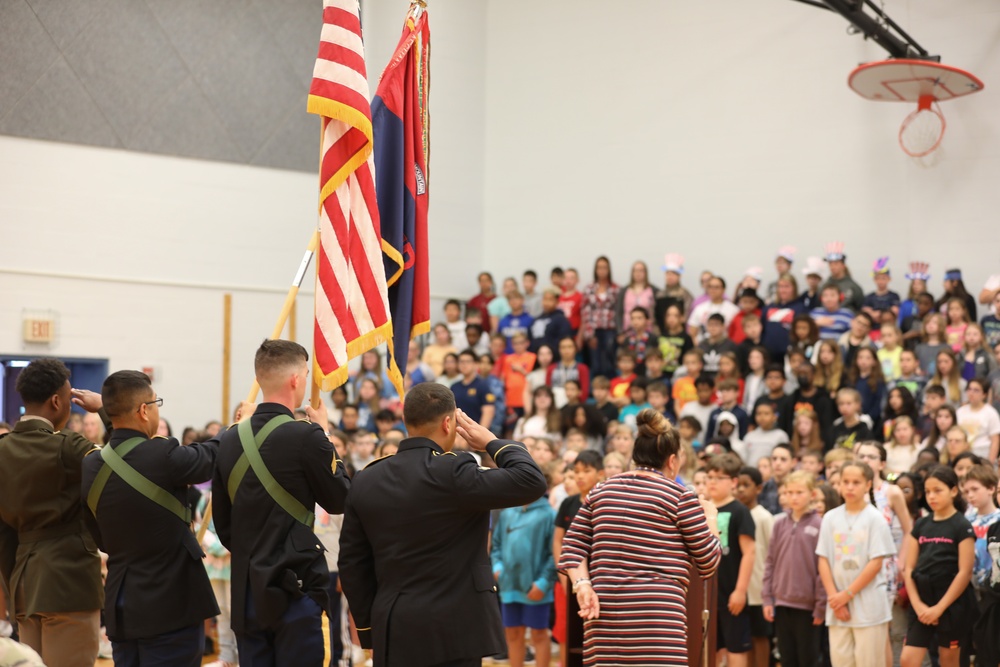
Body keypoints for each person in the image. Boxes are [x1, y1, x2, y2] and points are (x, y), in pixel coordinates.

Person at [339, 382, 546, 667]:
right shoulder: (455, 470)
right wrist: (491, 442)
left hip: (394, 624)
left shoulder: (366, 478)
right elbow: (531, 481)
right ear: (448, 423)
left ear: (405, 420)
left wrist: (369, 632)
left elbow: (352, 565)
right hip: (456, 627)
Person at [211, 340, 351, 666]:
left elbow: (224, 525)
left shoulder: (229, 439)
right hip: (296, 590)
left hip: (247, 591)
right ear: (296, 380)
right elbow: (341, 498)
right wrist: (326, 435)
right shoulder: (307, 436)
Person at [559, 409, 722, 665]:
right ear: (672, 461)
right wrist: (711, 518)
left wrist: (583, 585)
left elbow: (571, 546)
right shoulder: (680, 496)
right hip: (656, 621)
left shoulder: (601, 490)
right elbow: (709, 561)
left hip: (602, 616)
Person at [81, 370, 220, 666]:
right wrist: (241, 423)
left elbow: (100, 538)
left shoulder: (92, 465)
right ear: (144, 410)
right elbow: (214, 455)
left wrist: (109, 410)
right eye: (156, 402)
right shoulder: (164, 455)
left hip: (122, 605)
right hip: (171, 606)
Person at [0, 359, 108, 667]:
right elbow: (125, 460)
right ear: (58, 401)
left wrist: (14, 590)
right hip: (69, 583)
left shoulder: (2, 450)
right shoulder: (68, 446)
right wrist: (104, 409)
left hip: (24, 587)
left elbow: (3, 534)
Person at [816, 461, 897, 667]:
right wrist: (835, 597)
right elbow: (823, 559)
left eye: (856, 482)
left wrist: (847, 595)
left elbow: (876, 563)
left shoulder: (875, 519)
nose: (850, 487)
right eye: (846, 482)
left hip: (868, 605)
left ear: (868, 484)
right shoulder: (830, 517)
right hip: (837, 606)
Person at [900, 466, 977, 667]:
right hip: (922, 601)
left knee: (949, 661)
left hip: (952, 604)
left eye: (938, 490)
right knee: (908, 660)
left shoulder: (961, 525)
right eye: (927, 492)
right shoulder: (921, 525)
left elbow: (965, 572)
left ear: (953, 491)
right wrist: (918, 606)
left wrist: (939, 609)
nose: (931, 496)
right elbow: (909, 569)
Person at [762, 471, 826, 667]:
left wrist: (820, 606)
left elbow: (823, 569)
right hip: (781, 603)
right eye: (789, 492)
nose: (794, 497)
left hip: (808, 607)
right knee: (787, 658)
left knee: (808, 659)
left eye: (799, 492)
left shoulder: (820, 524)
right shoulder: (779, 523)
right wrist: (767, 598)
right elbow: (770, 561)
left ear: (812, 494)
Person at [490, 478, 556, 667]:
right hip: (509, 585)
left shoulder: (549, 514)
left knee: (539, 634)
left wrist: (543, 582)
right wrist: (497, 569)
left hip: (537, 588)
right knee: (512, 633)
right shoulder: (507, 512)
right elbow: (496, 547)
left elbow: (555, 554)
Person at [705, 453, 756, 667]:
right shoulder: (704, 509)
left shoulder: (740, 511)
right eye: (709, 477)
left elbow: (750, 552)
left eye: (719, 477)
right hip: (709, 595)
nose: (712, 482)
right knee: (711, 649)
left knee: (735, 648)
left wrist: (741, 590)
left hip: (731, 594)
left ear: (733, 482)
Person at [735, 466, 776, 667]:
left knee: (760, 637)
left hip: (760, 590)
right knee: (745, 638)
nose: (741, 490)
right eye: (738, 485)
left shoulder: (764, 517)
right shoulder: (737, 513)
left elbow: (772, 554)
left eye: (746, 485)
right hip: (741, 589)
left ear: (758, 489)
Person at [580, 256, 620, 380]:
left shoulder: (616, 289)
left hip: (610, 330)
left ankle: (611, 388)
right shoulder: (589, 288)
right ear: (595, 270)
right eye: (599, 268)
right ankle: (595, 392)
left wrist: (619, 332)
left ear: (609, 269)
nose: (602, 270)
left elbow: (619, 311)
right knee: (596, 363)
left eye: (604, 267)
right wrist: (589, 335)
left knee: (609, 362)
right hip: (594, 331)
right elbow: (586, 312)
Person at [955, 377, 1000, 462]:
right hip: (962, 455)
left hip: (982, 455)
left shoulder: (991, 413)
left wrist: (990, 462)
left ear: (984, 394)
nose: (971, 393)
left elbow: (995, 441)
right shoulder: (960, 411)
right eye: (969, 389)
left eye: (976, 390)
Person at [451, 349, 497, 428]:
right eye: (461, 362)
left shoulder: (483, 385)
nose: (464, 365)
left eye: (468, 362)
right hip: (457, 433)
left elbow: (489, 411)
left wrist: (479, 435)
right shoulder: (454, 387)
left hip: (475, 432)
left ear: (476, 364)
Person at [821, 242, 864, 312]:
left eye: (836, 263)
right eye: (830, 264)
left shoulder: (853, 287)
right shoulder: (824, 286)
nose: (832, 267)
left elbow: (860, 306)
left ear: (843, 265)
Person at [530, 288, 574, 354]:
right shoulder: (536, 320)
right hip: (536, 359)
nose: (546, 303)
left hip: (554, 359)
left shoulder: (561, 320)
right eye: (545, 299)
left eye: (550, 300)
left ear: (557, 302)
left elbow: (564, 341)